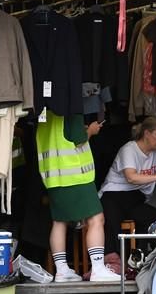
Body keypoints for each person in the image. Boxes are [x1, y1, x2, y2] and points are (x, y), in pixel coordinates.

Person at [35, 110, 120, 282]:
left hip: (53, 176)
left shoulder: (42, 111)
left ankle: (61, 270)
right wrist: (91, 130)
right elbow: (78, 139)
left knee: (59, 221)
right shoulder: (69, 108)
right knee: (96, 219)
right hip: (76, 175)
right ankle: (97, 268)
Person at [99, 116, 156, 259]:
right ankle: (113, 260)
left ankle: (148, 258)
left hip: (135, 198)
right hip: (113, 195)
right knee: (113, 226)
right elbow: (131, 177)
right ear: (146, 133)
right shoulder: (129, 149)